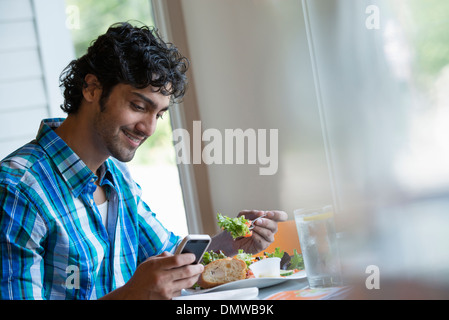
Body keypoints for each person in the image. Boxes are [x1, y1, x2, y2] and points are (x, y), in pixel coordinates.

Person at [0, 22, 287, 300]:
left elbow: (172, 258)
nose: (149, 129)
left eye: (159, 114)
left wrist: (232, 242)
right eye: (138, 106)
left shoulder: (116, 177)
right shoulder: (16, 190)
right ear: (91, 88)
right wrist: (132, 296)